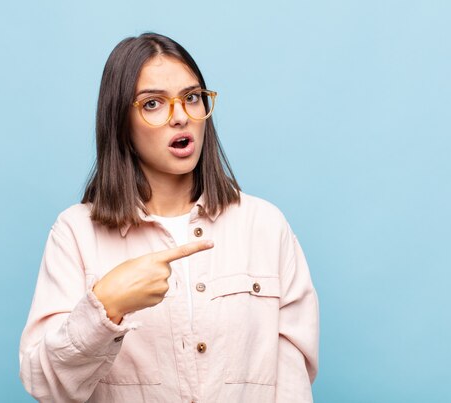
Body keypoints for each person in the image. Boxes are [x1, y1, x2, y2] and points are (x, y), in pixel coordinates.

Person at [19, 32, 319, 403]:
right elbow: (45, 385)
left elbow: (292, 384)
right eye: (153, 104)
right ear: (120, 123)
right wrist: (105, 306)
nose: (181, 117)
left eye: (192, 98)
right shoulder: (75, 233)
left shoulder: (266, 226)